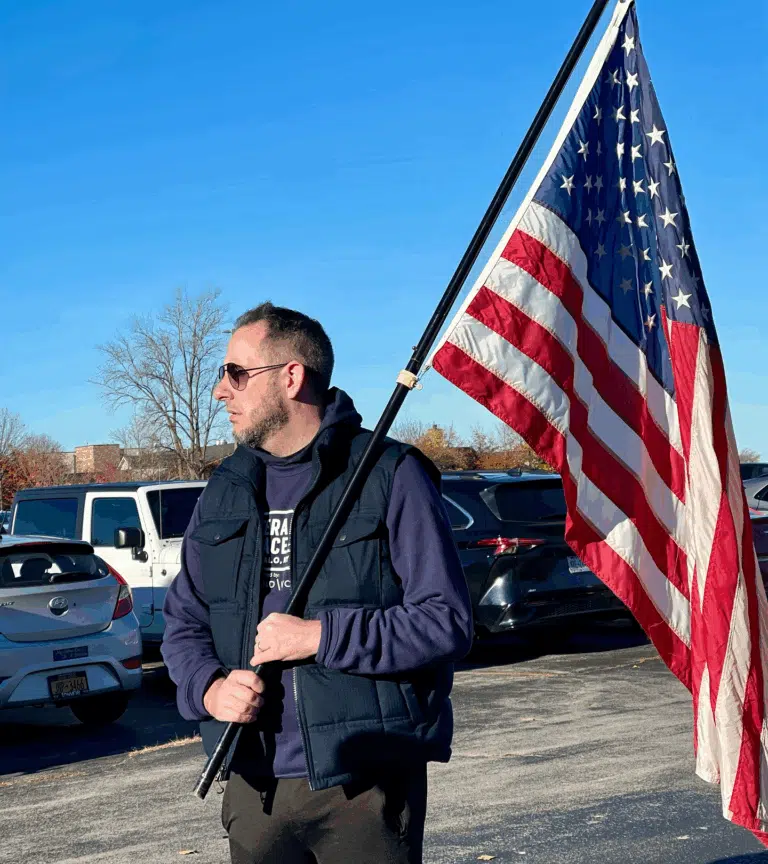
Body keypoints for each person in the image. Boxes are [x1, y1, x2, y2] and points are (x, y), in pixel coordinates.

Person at [161, 302, 473, 864]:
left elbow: (444, 621)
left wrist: (320, 636)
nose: (218, 391)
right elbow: (184, 623)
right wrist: (207, 689)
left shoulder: (388, 474)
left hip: (361, 786)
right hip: (254, 785)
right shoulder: (225, 490)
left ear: (291, 376)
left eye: (236, 373)